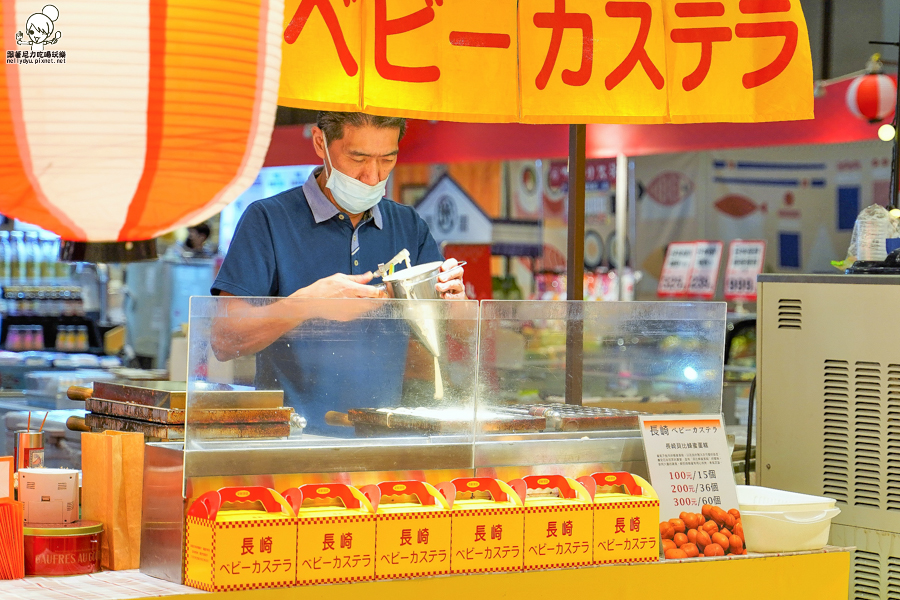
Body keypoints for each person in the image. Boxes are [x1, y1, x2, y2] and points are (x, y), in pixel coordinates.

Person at [210, 111, 465, 435]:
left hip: (385, 437)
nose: (372, 177)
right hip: (291, 441)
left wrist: (457, 299)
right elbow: (223, 339)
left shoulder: (408, 225)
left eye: (388, 159)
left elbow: (461, 333)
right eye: (358, 157)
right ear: (321, 142)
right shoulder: (268, 220)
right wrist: (308, 304)